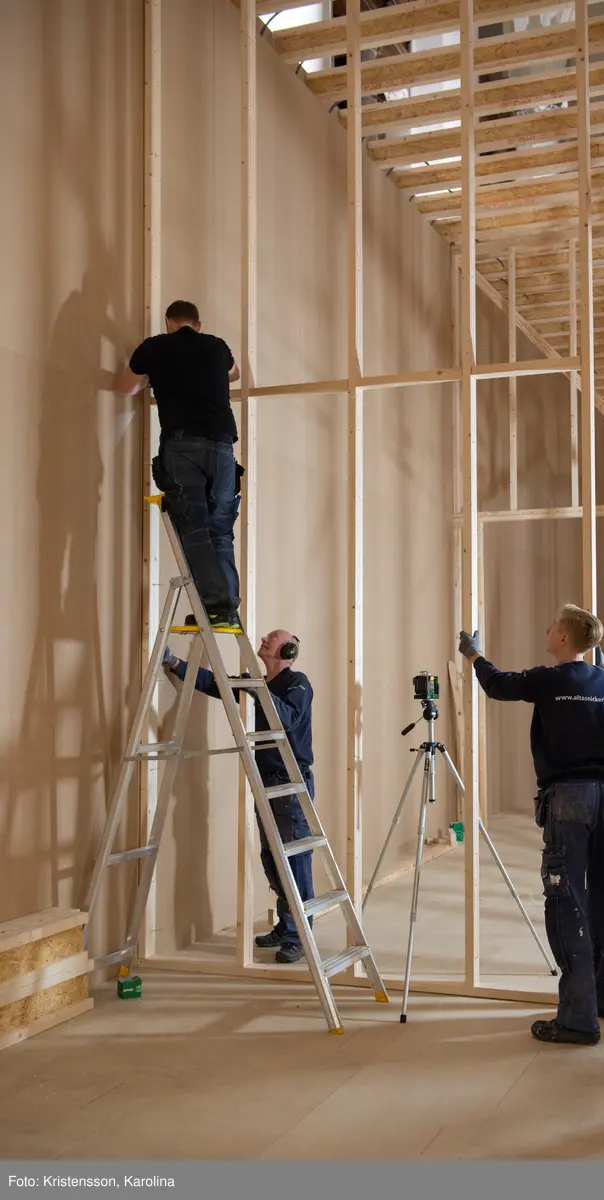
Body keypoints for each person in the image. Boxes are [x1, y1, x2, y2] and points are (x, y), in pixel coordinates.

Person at [458, 605, 604, 1047]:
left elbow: (498, 686)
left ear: (566, 640)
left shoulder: (552, 678)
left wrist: (475, 655)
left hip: (570, 797)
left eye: (552, 625)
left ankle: (577, 1019)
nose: (546, 629)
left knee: (567, 901)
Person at [163, 628, 315, 964]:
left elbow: (287, 718)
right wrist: (176, 664)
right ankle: (285, 923)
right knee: (272, 858)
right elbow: (216, 683)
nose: (263, 640)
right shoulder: (258, 685)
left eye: (271, 639)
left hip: (291, 783)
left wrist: (256, 688)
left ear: (287, 650)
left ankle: (299, 935)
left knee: (293, 861)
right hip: (265, 780)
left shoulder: (298, 683)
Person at [113, 300, 242, 630]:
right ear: (198, 324)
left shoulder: (155, 347)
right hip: (222, 447)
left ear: (168, 321)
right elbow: (234, 375)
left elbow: (125, 387)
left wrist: (153, 379)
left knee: (195, 529)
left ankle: (215, 604)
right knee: (221, 529)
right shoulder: (216, 346)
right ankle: (227, 606)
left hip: (183, 445)